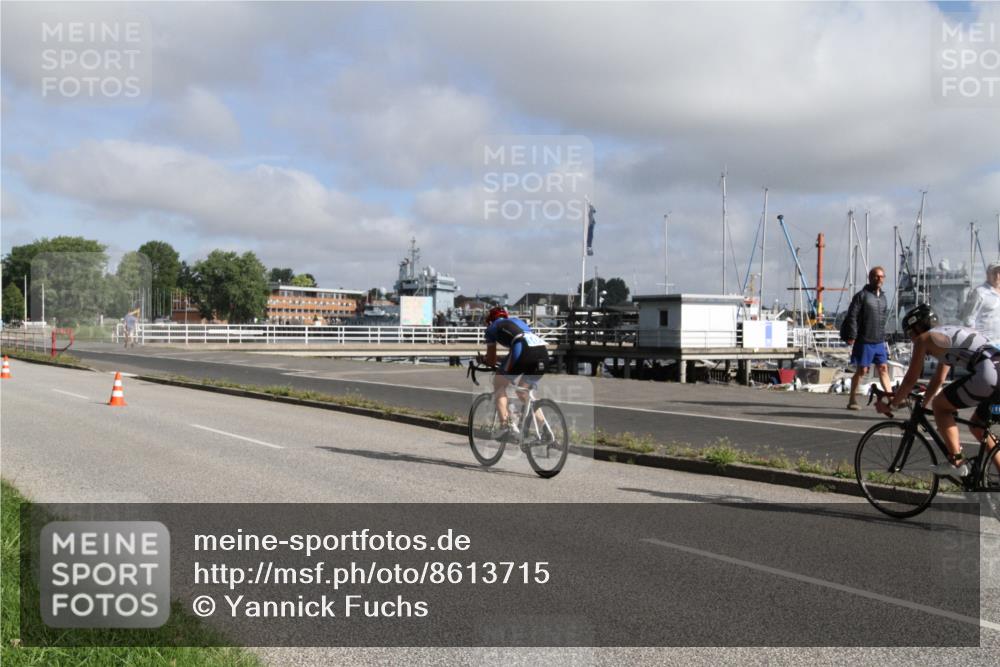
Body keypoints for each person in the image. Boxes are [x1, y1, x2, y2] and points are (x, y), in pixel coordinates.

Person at [878, 304, 999, 477]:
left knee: (941, 406)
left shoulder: (925, 339)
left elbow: (910, 380)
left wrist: (892, 405)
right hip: (996, 369)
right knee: (979, 428)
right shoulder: (945, 335)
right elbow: (938, 379)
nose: (912, 339)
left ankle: (957, 462)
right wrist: (924, 406)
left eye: (910, 333)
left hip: (987, 374)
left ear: (918, 327)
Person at [478, 306, 549, 435]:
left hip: (522, 350)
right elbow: (517, 354)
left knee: (499, 384)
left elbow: (492, 360)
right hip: (542, 352)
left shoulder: (492, 328)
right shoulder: (517, 322)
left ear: (490, 320)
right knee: (523, 392)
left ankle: (505, 426)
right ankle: (545, 430)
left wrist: (483, 360)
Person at [840, 266, 891, 410]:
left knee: (883, 368)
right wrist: (852, 335)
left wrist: (885, 336)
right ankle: (852, 400)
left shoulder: (883, 298)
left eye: (882, 276)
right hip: (864, 340)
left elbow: (883, 319)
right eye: (876, 276)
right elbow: (852, 316)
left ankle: (892, 399)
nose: (879, 279)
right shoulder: (861, 295)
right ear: (870, 278)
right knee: (862, 371)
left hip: (879, 340)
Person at [959, 260, 1000, 340]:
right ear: (988, 274)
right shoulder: (979, 292)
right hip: (986, 343)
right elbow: (968, 319)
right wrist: (975, 340)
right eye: (994, 273)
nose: (997, 276)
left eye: (999, 273)